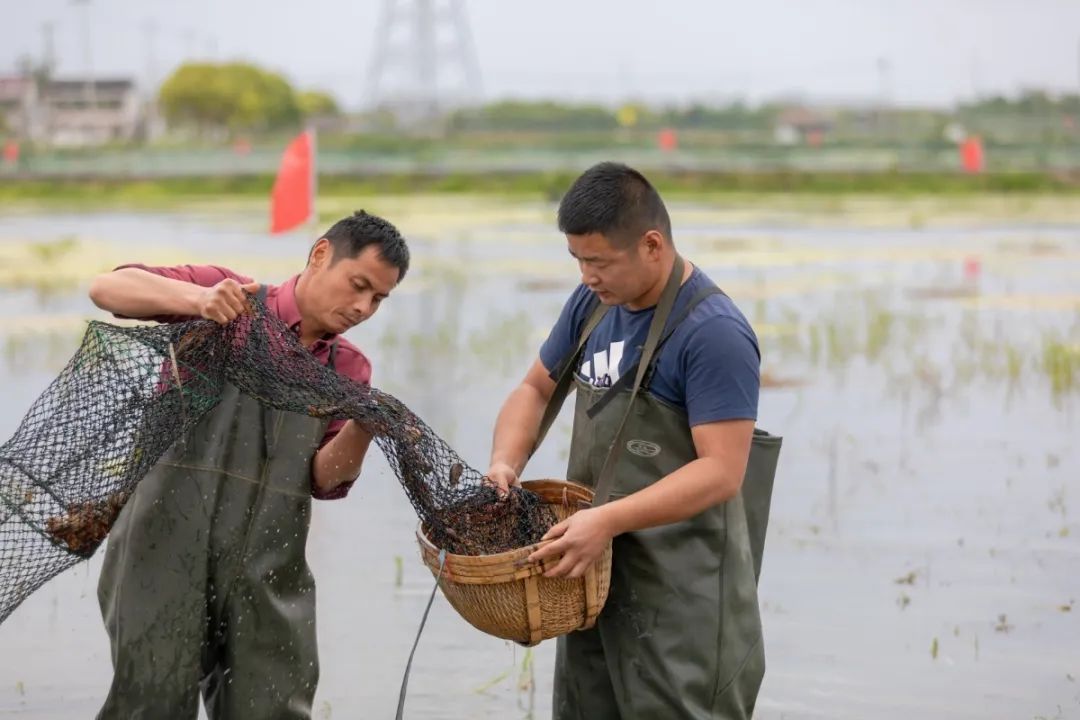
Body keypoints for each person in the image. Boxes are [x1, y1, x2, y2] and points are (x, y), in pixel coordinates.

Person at [88, 210, 409, 719]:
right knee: (149, 705)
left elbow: (323, 480)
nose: (363, 306)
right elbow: (108, 288)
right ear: (321, 254)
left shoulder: (348, 367)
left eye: (379, 298)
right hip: (164, 547)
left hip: (267, 569)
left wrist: (365, 425)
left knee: (273, 709)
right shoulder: (226, 296)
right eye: (359, 285)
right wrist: (199, 301)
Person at [486, 162, 779, 719]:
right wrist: (505, 461)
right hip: (591, 581)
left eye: (598, 262)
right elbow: (534, 388)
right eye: (577, 260)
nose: (586, 276)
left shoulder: (712, 332)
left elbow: (722, 471)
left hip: (683, 596)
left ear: (651, 245)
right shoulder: (593, 305)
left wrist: (608, 518)